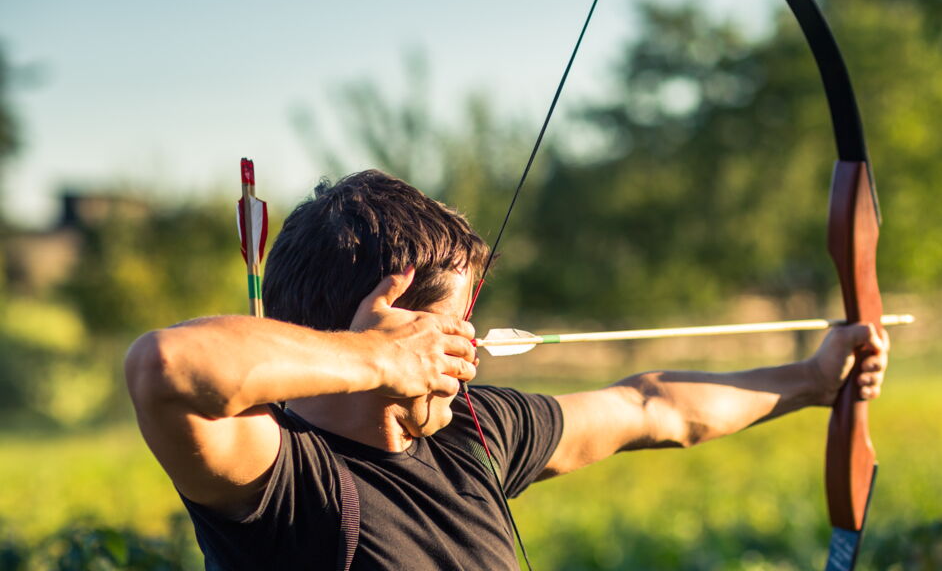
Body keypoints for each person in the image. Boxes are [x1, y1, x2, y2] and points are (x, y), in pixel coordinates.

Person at [125, 170, 889, 570]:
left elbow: (653, 408)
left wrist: (815, 381)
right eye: (456, 323)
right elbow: (164, 365)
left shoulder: (472, 430)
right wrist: (376, 361)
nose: (472, 344)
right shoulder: (285, 481)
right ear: (398, 327)